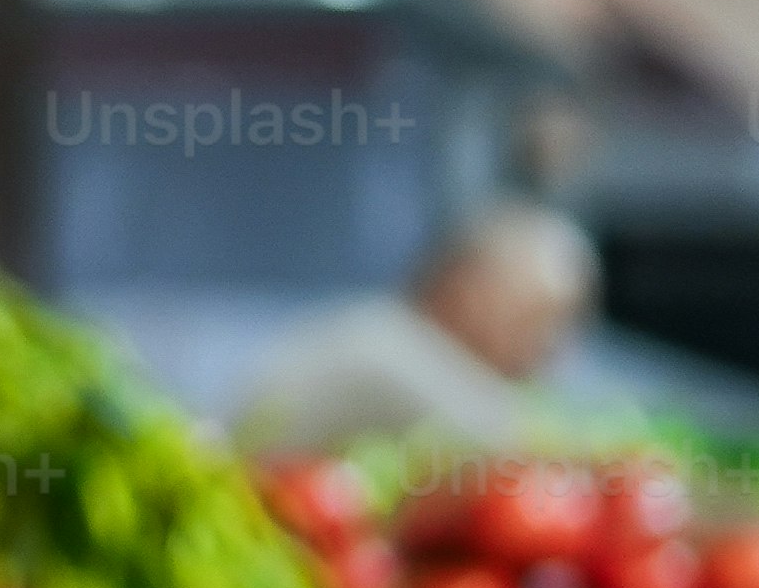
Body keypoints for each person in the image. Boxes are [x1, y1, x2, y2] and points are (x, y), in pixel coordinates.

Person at [233, 199, 598, 465]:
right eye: (535, 318)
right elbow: (517, 449)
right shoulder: (384, 349)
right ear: (469, 289)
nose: (549, 347)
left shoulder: (378, 328)